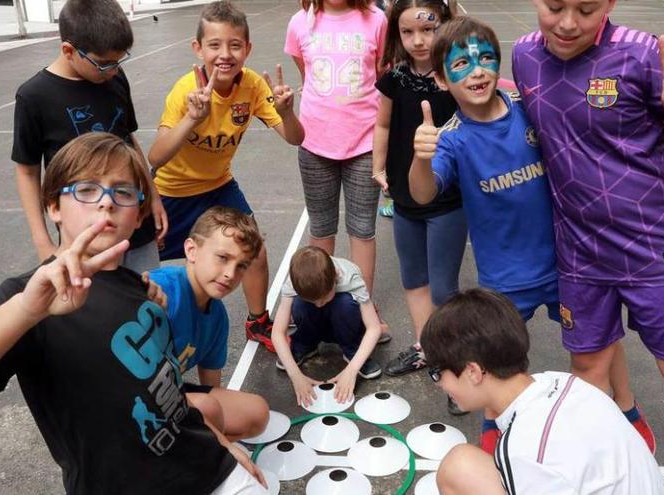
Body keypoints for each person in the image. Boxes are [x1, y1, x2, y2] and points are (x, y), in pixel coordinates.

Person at [0, 133, 268, 494]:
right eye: (86, 189)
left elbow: (171, 398)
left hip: (205, 465)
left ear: (138, 215)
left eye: (122, 192)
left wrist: (222, 445)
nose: (106, 202)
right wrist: (27, 311)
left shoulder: (139, 288)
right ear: (54, 206)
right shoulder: (30, 294)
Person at [512, 2, 664, 493]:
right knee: (588, 371)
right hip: (579, 252)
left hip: (655, 245)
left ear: (609, 5)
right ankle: (601, 478)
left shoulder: (641, 56)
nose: (568, 22)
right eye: (554, 6)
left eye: (587, 8)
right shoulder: (524, 56)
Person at [409, 16, 650, 453]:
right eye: (461, 64)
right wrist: (420, 158)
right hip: (504, 279)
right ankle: (494, 426)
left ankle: (627, 407)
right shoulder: (452, 140)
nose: (477, 70)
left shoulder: (529, 111)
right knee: (493, 355)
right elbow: (422, 194)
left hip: (567, 263)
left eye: (485, 58)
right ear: (443, 81)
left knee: (603, 339)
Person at [148, 1, 305, 353]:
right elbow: (155, 156)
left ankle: (257, 322)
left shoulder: (250, 86)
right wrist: (191, 118)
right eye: (215, 45)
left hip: (219, 185)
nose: (225, 54)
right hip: (171, 191)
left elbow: (295, 138)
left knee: (254, 250)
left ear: (247, 49)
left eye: (235, 45)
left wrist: (287, 113)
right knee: (141, 263)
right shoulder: (184, 91)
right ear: (198, 48)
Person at [421, 288, 664, 495]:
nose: (439, 384)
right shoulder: (565, 383)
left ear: (473, 372)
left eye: (437, 373)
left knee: (458, 467)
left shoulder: (522, 451)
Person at [12, 0, 166, 273]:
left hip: (131, 220)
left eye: (119, 61)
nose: (114, 70)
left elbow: (129, 140)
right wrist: (42, 242)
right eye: (105, 64)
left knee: (144, 298)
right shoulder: (34, 96)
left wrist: (153, 196)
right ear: (69, 51)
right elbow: (27, 172)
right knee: (92, 306)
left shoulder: (115, 79)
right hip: (83, 231)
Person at [372, 0, 468, 402]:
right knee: (414, 278)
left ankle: (453, 360)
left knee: (444, 288)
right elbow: (383, 123)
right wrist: (379, 167)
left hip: (448, 199)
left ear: (444, 26)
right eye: (408, 32)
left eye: (428, 30)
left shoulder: (456, 76)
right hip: (404, 194)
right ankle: (425, 347)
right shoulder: (394, 79)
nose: (419, 40)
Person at [284, 0, 387, 305]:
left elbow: (381, 75)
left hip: (365, 143)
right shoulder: (300, 23)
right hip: (316, 143)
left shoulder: (376, 20)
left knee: (362, 229)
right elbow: (307, 75)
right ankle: (322, 305)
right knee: (321, 229)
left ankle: (363, 307)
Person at [148, 207, 269, 442]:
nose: (229, 274)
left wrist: (216, 434)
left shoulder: (217, 318)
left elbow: (213, 389)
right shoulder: (159, 292)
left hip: (168, 394)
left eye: (241, 266)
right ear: (191, 250)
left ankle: (186, 449)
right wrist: (221, 444)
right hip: (130, 401)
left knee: (256, 413)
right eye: (223, 258)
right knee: (205, 408)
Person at [272, 246, 383, 407]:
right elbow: (278, 332)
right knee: (299, 304)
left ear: (335, 277)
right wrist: (295, 376)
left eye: (323, 299)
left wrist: (351, 371)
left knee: (345, 303)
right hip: (314, 325)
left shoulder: (350, 276)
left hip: (343, 323)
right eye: (314, 301)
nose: (318, 305)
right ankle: (306, 345)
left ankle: (351, 349)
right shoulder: (293, 281)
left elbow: (374, 328)